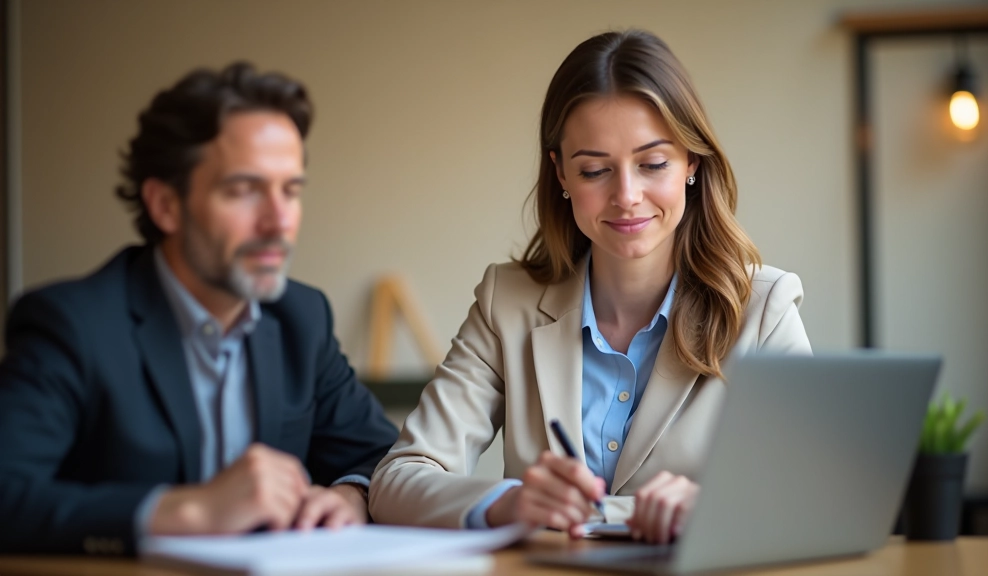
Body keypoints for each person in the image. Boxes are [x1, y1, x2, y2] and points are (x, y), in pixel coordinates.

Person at [369, 30, 811, 544]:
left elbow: (817, 492)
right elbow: (397, 480)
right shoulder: (506, 303)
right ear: (560, 172)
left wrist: (714, 508)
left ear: (692, 162)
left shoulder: (764, 310)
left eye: (652, 164)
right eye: (595, 169)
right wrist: (509, 502)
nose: (626, 196)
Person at [0, 62, 399, 555]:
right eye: (244, 190)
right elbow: (9, 493)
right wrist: (187, 511)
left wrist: (352, 494)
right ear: (165, 204)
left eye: (290, 190)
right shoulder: (73, 325)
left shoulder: (302, 318)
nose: (278, 221)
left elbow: (383, 457)